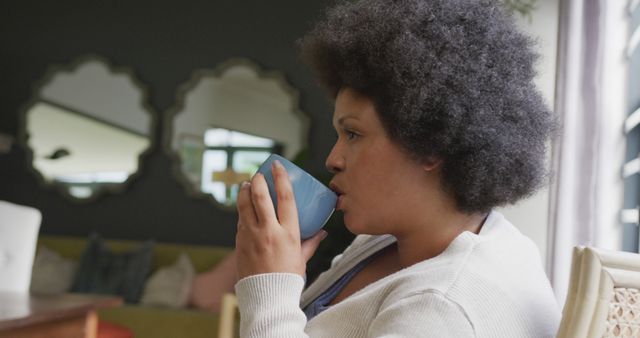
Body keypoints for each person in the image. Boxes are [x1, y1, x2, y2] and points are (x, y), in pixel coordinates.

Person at [233, 0, 561, 336]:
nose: (333, 159)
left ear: (429, 144)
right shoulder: (391, 243)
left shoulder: (442, 310)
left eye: (354, 134)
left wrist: (270, 289)